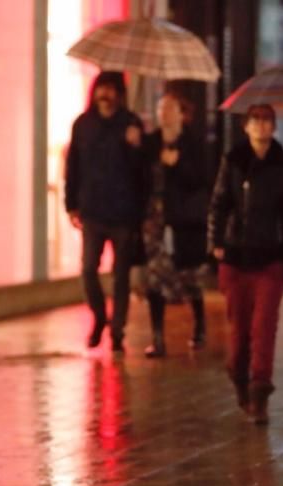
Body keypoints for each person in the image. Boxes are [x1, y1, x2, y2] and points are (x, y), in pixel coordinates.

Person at [207, 104, 283, 424]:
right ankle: (239, 377)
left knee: (264, 327)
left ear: (274, 127)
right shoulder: (233, 161)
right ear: (246, 126)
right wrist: (217, 242)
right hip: (236, 258)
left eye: (267, 121)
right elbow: (219, 203)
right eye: (256, 121)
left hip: (270, 259)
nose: (262, 127)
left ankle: (260, 391)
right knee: (239, 332)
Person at [65, 71, 145, 352]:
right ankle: (100, 317)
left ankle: (118, 330)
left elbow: (141, 173)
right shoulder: (83, 125)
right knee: (88, 270)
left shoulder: (131, 124)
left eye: (111, 90)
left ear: (119, 94)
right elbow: (72, 166)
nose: (106, 95)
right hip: (92, 211)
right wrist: (70, 204)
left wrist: (136, 147)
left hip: (123, 213)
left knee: (121, 276)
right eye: (102, 89)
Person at [141, 93, 209, 358]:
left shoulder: (193, 143)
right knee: (154, 278)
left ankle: (199, 326)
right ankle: (158, 338)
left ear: (182, 113)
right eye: (160, 108)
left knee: (189, 277)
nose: (164, 113)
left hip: (184, 222)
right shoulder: (152, 141)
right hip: (155, 221)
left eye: (170, 108)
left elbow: (201, 179)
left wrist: (177, 164)